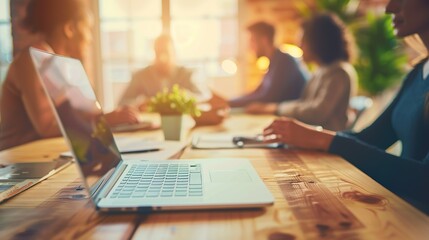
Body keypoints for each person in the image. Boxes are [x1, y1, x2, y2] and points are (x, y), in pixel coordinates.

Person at [263, 0, 429, 214]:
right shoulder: (418, 73)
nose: (389, 8)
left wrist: (322, 139)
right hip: (402, 209)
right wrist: (312, 138)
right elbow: (372, 138)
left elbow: (423, 182)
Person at [0, 0, 140, 151]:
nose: (90, 38)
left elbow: (80, 115)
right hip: (17, 163)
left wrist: (112, 117)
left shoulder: (60, 64)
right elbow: (48, 127)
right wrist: (105, 120)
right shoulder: (32, 59)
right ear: (70, 29)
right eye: (88, 28)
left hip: (47, 157)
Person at [246, 14, 357, 131]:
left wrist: (275, 108)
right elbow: (304, 104)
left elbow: (316, 113)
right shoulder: (319, 71)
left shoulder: (339, 72)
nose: (299, 46)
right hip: (312, 138)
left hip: (326, 143)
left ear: (318, 42)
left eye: (303, 41)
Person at [229, 21, 309, 108]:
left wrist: (229, 103)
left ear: (264, 40)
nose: (249, 46)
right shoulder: (274, 62)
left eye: (252, 40)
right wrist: (229, 101)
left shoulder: (284, 61)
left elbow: (268, 98)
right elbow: (257, 92)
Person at [119, 34, 212, 108]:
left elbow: (205, 97)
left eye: (166, 52)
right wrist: (139, 104)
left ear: (174, 53)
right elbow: (122, 103)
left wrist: (186, 97)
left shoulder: (188, 74)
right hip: (149, 126)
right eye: (158, 52)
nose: (162, 58)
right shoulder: (140, 76)